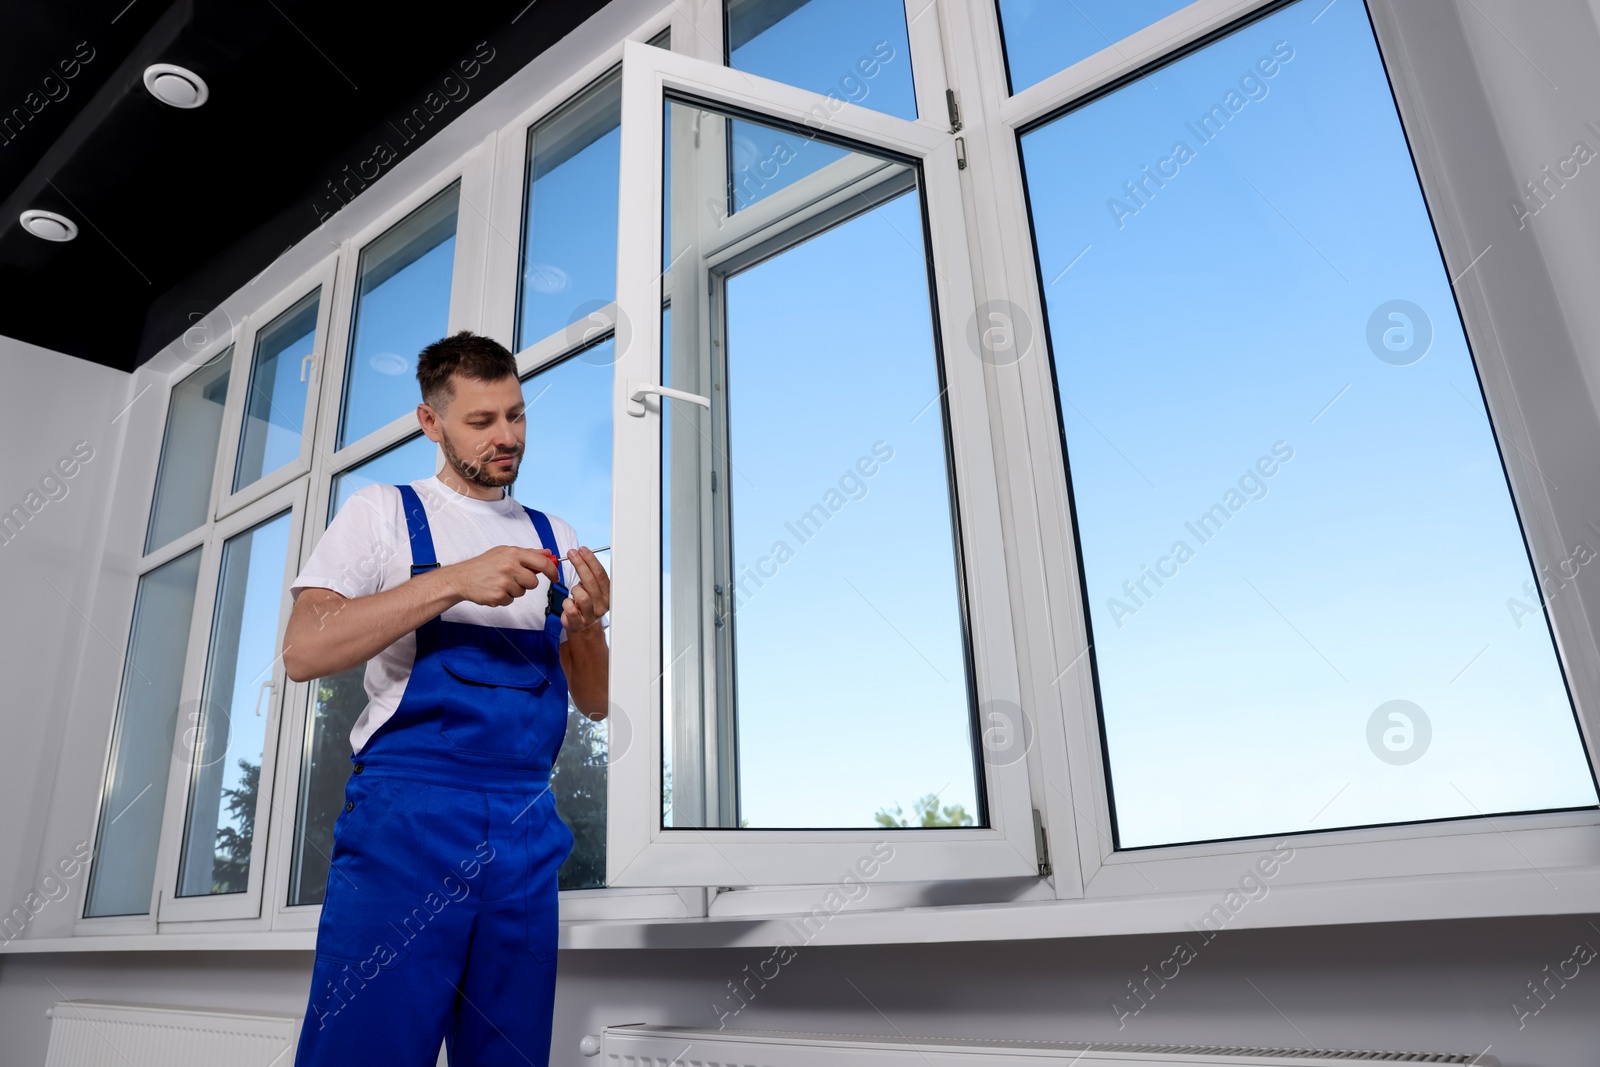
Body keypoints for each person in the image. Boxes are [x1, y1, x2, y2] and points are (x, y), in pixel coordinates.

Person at [282, 330, 610, 1067]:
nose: (507, 437)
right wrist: (456, 579)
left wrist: (587, 625)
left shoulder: (554, 534)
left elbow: (592, 698)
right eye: (482, 421)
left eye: (517, 415)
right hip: (408, 825)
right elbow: (305, 649)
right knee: (365, 1051)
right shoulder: (383, 512)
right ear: (431, 422)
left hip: (526, 833)